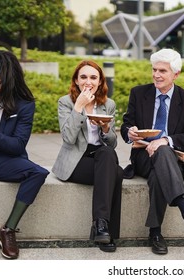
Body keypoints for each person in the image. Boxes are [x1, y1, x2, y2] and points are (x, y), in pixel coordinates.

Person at [120, 48, 184, 255]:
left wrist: (166, 140)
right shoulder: (139, 93)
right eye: (154, 69)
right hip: (142, 155)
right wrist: (129, 132)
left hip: (175, 157)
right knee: (161, 159)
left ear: (175, 74)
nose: (156, 75)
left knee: (163, 157)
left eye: (162, 71)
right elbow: (126, 125)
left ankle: (156, 232)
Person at [52, 60, 123, 253]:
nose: (88, 81)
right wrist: (79, 107)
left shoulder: (108, 104)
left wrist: (106, 128)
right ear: (76, 80)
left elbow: (112, 143)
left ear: (100, 82)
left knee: (108, 154)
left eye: (93, 77)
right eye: (83, 77)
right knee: (115, 174)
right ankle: (106, 230)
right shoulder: (65, 102)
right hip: (76, 160)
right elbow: (68, 138)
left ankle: (101, 226)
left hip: (101, 157)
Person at [0, 50, 49, 259]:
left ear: (2, 74)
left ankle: (8, 229)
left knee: (38, 172)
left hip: (4, 159)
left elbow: (17, 145)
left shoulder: (24, 104)